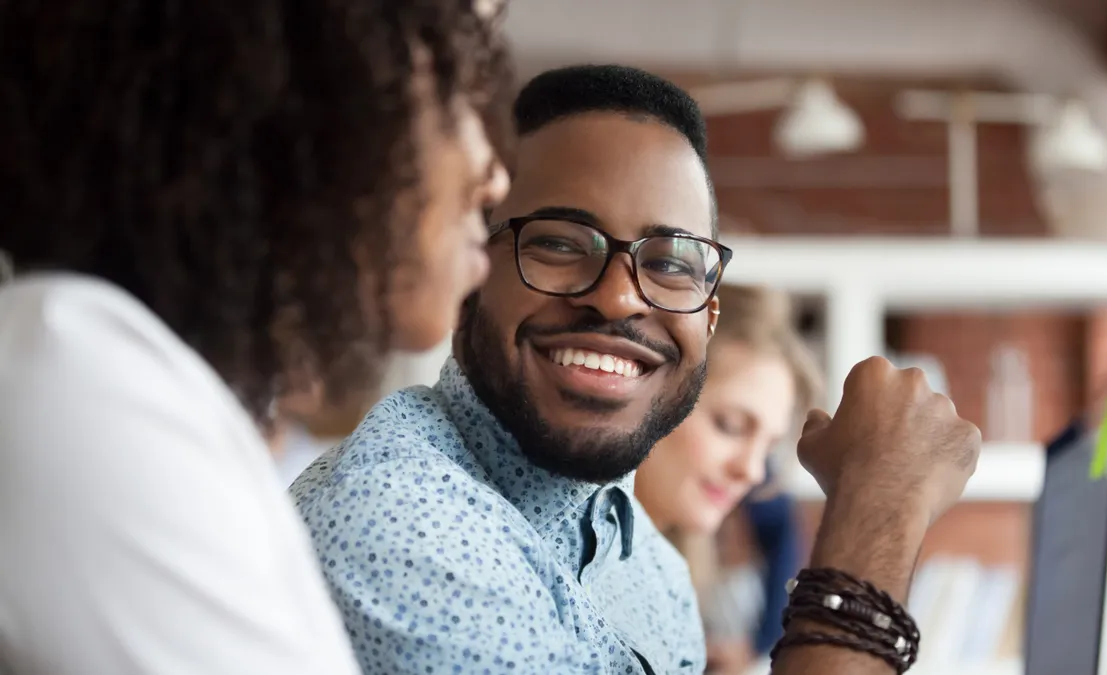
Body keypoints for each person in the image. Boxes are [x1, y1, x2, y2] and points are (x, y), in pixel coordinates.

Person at [293, 63, 981, 675]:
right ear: (473, 268)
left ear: (707, 313)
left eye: (672, 261)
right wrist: (878, 507)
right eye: (560, 243)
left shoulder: (649, 561)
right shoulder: (401, 519)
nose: (619, 296)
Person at [0, 2, 511, 673]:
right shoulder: (80, 383)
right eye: (450, 84)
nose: (495, 174)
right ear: (300, 92)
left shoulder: (133, 385)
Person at [633, 283, 822, 674]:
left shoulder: (668, 576)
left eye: (768, 447)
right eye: (731, 425)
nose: (752, 472)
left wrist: (759, 644)